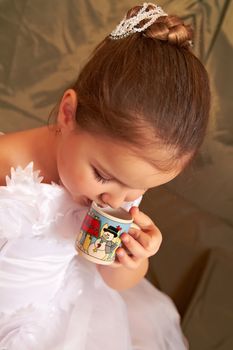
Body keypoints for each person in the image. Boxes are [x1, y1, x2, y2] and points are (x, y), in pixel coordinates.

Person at [0, 3, 210, 350]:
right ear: (69, 113)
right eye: (102, 175)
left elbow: (115, 281)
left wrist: (133, 259)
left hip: (57, 318)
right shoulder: (6, 163)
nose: (114, 200)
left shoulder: (119, 190)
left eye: (137, 189)